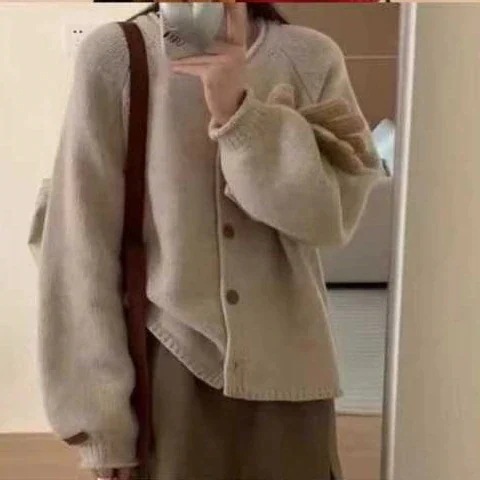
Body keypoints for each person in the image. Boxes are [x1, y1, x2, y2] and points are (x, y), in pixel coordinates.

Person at [36, 2, 384, 480]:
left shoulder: (312, 58)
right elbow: (79, 248)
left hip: (293, 378)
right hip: (167, 374)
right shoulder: (115, 57)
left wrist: (239, 112)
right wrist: (101, 425)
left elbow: (331, 219)